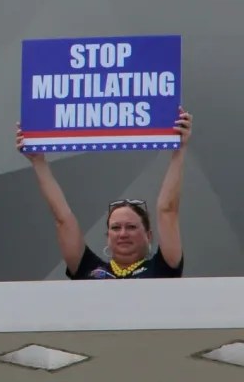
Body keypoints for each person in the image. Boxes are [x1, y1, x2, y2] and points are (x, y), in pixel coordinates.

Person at [18, 107, 191, 280]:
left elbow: (167, 210)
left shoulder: (163, 268)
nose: (123, 234)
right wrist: (38, 162)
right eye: (115, 227)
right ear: (108, 236)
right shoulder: (88, 269)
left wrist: (180, 149)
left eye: (131, 227)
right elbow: (62, 219)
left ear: (148, 235)